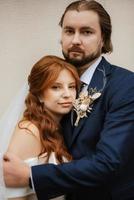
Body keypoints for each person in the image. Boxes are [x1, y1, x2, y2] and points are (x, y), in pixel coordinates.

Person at [3, 0, 134, 200]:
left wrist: (31, 176)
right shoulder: (48, 79)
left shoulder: (125, 85)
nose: (75, 40)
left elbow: (107, 162)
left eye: (87, 32)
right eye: (69, 31)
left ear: (103, 38)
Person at [1, 55, 79, 200]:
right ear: (39, 94)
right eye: (56, 87)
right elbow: (13, 196)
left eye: (72, 87)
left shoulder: (58, 129)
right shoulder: (29, 132)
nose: (67, 95)